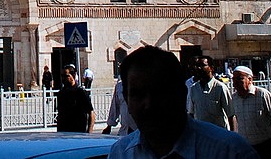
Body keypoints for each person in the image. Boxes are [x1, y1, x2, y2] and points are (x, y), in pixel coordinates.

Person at [108, 47, 256, 159]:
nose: (149, 105)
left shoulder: (230, 152)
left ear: (181, 93)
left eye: (159, 92)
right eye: (138, 95)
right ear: (127, 100)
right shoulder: (120, 153)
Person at [230, 66, 271, 159]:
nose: (235, 83)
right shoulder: (234, 98)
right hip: (248, 148)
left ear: (250, 79)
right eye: (233, 79)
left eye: (239, 79)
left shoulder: (262, 94)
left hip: (267, 146)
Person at [188, 55, 234, 130]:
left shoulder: (220, 88)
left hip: (219, 133)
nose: (199, 68)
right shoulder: (193, 89)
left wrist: (232, 135)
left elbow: (231, 115)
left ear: (211, 68)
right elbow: (191, 113)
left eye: (203, 65)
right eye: (198, 66)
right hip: (201, 133)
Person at [55, 65, 94, 133]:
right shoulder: (61, 93)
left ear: (73, 76)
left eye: (66, 76)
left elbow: (91, 113)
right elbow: (60, 114)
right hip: (63, 131)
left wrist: (89, 132)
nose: (63, 78)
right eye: (62, 76)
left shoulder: (80, 92)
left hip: (78, 131)